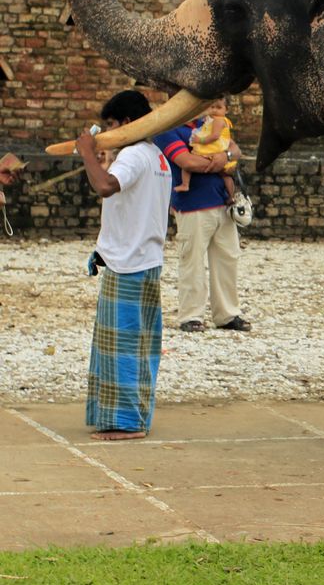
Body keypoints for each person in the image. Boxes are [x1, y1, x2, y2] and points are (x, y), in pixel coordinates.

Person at [77, 90, 173, 440]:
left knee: (124, 348)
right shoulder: (156, 156)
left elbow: (104, 187)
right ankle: (123, 416)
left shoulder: (133, 155)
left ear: (128, 124)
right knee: (133, 345)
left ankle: (127, 423)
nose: (108, 131)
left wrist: (88, 152)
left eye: (112, 125)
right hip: (142, 260)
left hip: (131, 264)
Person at [154, 114, 250, 333]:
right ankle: (191, 315)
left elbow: (235, 150)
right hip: (192, 205)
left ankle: (227, 313)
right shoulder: (167, 129)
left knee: (228, 258)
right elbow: (186, 162)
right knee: (192, 260)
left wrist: (222, 156)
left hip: (222, 203)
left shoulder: (207, 124)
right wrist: (221, 160)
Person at [174, 97, 236, 201]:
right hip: (218, 149)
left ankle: (185, 184)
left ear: (227, 109)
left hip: (212, 148)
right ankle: (231, 196)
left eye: (219, 107)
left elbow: (215, 136)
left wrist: (200, 140)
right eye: (212, 107)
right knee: (226, 176)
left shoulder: (218, 120)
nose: (214, 110)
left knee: (188, 164)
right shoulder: (215, 119)